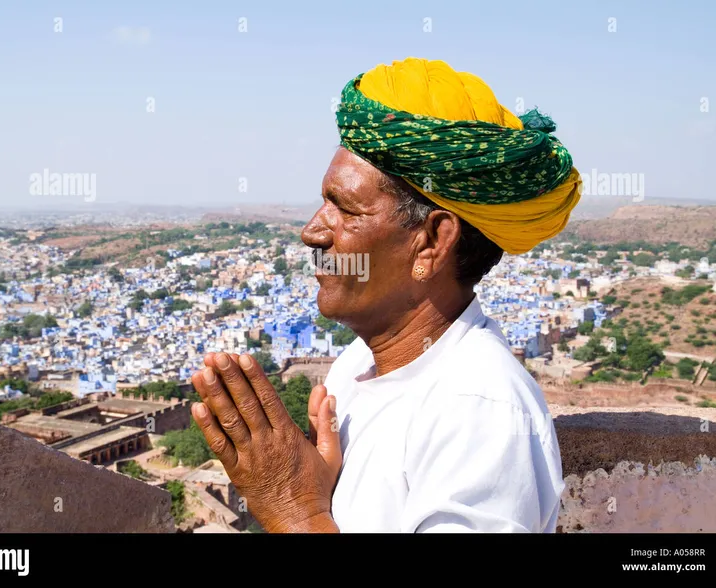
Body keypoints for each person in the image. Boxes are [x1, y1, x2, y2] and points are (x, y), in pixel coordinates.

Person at [190, 57, 583, 533]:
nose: (312, 232)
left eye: (346, 209)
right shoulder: (354, 366)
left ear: (432, 242)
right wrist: (323, 492)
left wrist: (294, 510)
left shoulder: (477, 411)